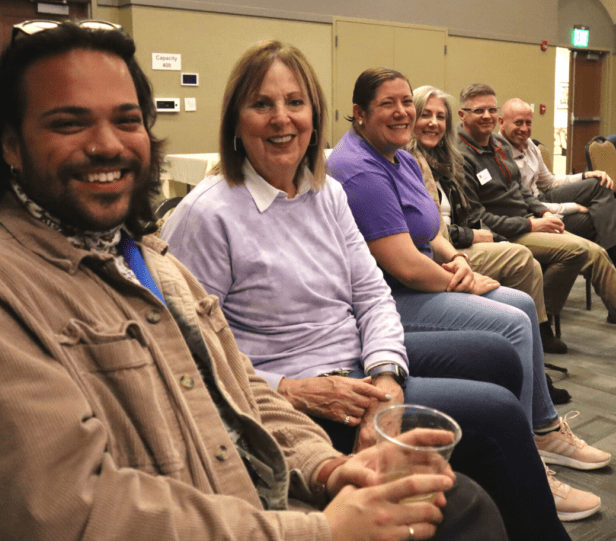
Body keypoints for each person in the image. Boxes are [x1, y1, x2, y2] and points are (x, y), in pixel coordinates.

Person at [0, 22, 504, 541]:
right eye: (69, 123)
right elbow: (71, 510)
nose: (106, 144)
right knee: (466, 500)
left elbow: (232, 383)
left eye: (127, 119)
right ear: (9, 144)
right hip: (235, 506)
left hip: (263, 475)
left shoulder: (146, 259)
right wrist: (320, 529)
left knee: (461, 498)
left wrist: (324, 468)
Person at [163, 40, 584, 539]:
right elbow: (189, 357)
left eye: (295, 103)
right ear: (235, 119)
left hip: (359, 363)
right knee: (498, 416)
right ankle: (511, 494)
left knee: (498, 356)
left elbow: (371, 296)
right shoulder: (207, 215)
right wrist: (290, 390)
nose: (282, 119)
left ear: (315, 114)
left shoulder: (326, 192)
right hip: (301, 391)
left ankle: (487, 483)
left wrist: (387, 375)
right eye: (262, 104)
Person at [325, 67, 609, 518]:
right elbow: (403, 264)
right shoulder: (358, 168)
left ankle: (544, 429)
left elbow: (430, 230)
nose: (403, 112)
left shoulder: (397, 156)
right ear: (359, 114)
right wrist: (463, 278)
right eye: (388, 104)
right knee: (514, 320)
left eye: (406, 103)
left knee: (516, 301)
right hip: (391, 298)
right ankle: (529, 462)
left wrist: (453, 259)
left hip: (423, 275)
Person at [411, 85, 566, 355]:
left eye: (439, 117)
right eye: (426, 115)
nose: (434, 123)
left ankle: (531, 340)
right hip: (448, 248)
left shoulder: (442, 157)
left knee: (541, 260)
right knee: (523, 257)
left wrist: (544, 212)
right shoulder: (413, 160)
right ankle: (527, 343)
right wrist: (475, 236)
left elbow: (522, 191)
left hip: (479, 233)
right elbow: (431, 230)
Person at [456, 84, 616, 326]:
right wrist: (533, 222)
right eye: (479, 110)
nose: (486, 115)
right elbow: (477, 218)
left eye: (491, 109)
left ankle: (544, 317)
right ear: (463, 115)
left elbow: (524, 189)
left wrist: (544, 211)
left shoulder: (499, 145)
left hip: (530, 217)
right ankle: (538, 320)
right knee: (579, 248)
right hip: (506, 231)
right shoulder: (460, 155)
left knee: (596, 249)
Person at [499, 97, 616, 266]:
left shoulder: (530, 145)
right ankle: (608, 265)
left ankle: (606, 265)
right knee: (599, 219)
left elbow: (549, 182)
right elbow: (525, 204)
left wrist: (586, 176)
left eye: (528, 123)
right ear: (501, 122)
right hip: (532, 214)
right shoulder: (497, 155)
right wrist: (574, 208)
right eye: (518, 123)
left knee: (599, 184)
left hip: (543, 199)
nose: (524, 129)